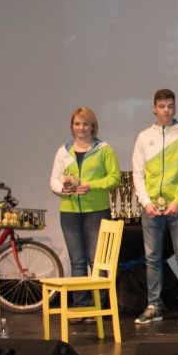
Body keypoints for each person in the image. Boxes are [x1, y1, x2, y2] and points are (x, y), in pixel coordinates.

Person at [132, 89, 178, 324]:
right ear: (154, 108)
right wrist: (146, 202)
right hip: (151, 209)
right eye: (162, 106)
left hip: (177, 208)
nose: (166, 110)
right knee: (152, 258)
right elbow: (138, 173)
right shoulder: (143, 137)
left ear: (175, 107)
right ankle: (154, 305)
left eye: (170, 106)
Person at [49, 107, 120, 322]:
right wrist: (63, 189)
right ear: (72, 126)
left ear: (92, 126)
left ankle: (98, 307)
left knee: (97, 261)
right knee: (77, 261)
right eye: (77, 124)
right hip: (69, 212)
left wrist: (92, 185)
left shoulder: (104, 149)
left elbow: (114, 178)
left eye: (85, 124)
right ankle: (80, 307)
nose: (81, 128)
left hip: (96, 211)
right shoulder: (63, 151)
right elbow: (54, 180)